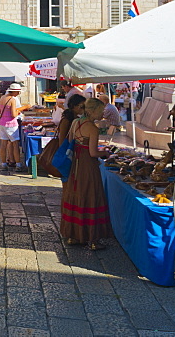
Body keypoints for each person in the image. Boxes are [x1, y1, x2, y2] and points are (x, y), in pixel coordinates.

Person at [60, 98, 111, 249]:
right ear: (92, 111)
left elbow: (70, 141)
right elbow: (93, 152)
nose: (103, 114)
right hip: (88, 166)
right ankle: (93, 239)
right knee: (91, 196)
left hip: (75, 165)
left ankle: (74, 236)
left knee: (75, 195)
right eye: (101, 111)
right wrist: (105, 153)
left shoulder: (76, 122)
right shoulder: (93, 128)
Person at [39, 94, 86, 178]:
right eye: (82, 106)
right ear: (74, 106)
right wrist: (64, 153)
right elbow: (62, 138)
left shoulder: (75, 119)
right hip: (67, 150)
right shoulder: (66, 120)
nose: (83, 109)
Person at [0, 83, 28, 169]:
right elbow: (13, 115)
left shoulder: (2, 98)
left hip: (2, 123)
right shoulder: (12, 100)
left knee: (3, 144)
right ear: (14, 91)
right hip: (11, 124)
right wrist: (21, 110)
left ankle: (4, 163)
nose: (18, 94)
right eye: (18, 92)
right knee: (15, 144)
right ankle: (18, 164)